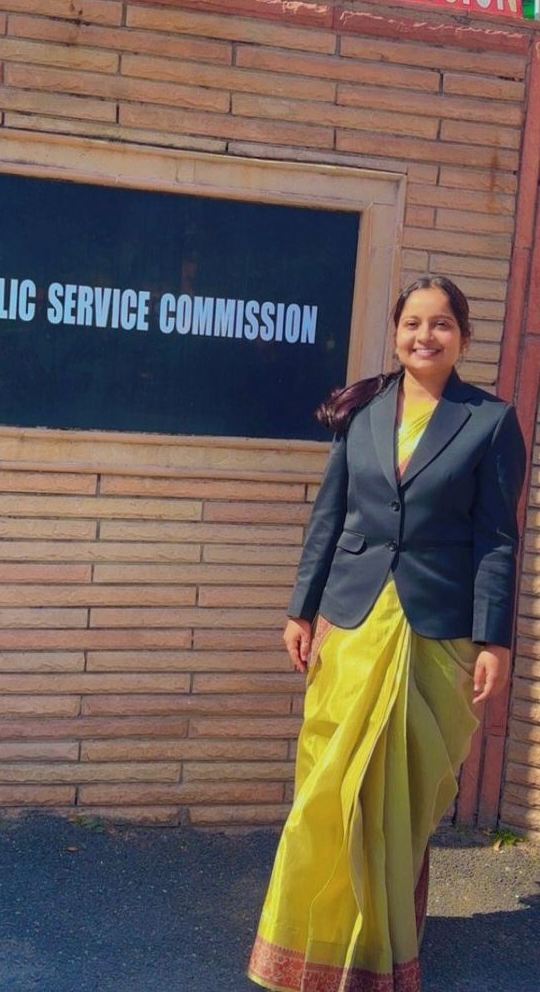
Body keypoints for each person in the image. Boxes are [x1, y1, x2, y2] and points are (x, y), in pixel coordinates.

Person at [247, 275, 527, 992]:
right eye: (412, 323)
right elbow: (329, 515)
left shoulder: (490, 421)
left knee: (399, 801)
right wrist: (300, 608)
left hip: (436, 633)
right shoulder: (364, 412)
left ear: (463, 336)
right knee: (329, 790)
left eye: (441, 324)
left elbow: (498, 541)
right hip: (351, 621)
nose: (424, 336)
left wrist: (496, 640)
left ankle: (382, 947)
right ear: (396, 332)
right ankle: (309, 944)